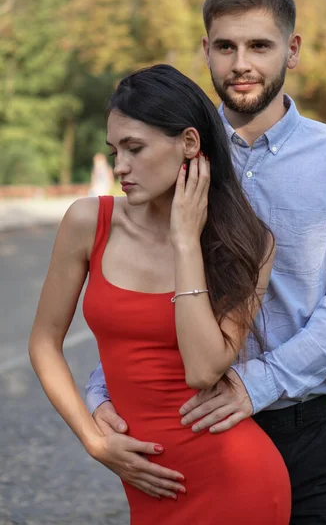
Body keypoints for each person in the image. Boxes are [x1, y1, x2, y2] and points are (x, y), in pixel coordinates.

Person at [86, 0, 326, 524]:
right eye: (225, 46)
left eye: (259, 46)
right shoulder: (172, 152)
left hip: (305, 432)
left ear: (291, 51)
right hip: (191, 432)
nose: (240, 63)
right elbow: (138, 280)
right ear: (206, 49)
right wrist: (101, 392)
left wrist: (257, 384)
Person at [29, 64, 291, 524]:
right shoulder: (89, 223)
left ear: (189, 143)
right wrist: (93, 440)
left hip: (236, 483)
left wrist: (185, 242)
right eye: (114, 151)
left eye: (135, 148)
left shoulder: (249, 243)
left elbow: (203, 368)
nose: (119, 167)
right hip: (149, 486)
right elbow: (43, 343)